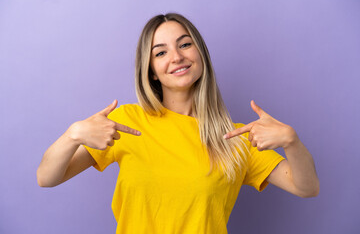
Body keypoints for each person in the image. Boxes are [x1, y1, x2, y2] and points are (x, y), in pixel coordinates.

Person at [37, 13, 319, 233]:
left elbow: (307, 188)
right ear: (152, 72)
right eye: (160, 52)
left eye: (185, 44)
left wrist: (292, 142)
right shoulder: (127, 122)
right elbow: (47, 178)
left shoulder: (237, 138)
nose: (176, 57)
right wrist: (72, 135)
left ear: (200, 56)